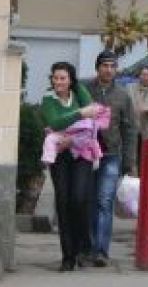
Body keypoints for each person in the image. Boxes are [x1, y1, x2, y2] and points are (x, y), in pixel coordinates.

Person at [40, 61, 102, 272]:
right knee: (63, 201)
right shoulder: (48, 98)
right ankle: (68, 256)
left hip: (81, 152)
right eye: (55, 78)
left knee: (78, 198)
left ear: (71, 80)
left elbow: (94, 117)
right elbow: (55, 122)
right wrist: (79, 113)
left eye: (63, 78)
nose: (58, 82)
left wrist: (72, 138)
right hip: (60, 154)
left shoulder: (80, 91)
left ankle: (84, 244)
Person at [85, 50, 136, 268]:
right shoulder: (85, 90)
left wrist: (129, 161)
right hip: (86, 155)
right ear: (97, 68)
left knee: (104, 202)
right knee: (87, 202)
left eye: (112, 66)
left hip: (111, 156)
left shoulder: (123, 95)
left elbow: (130, 129)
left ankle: (101, 251)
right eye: (104, 66)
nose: (108, 70)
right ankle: (86, 247)